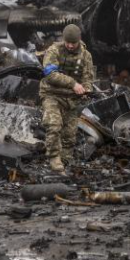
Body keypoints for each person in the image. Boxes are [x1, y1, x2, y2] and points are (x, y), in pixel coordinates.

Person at [40, 24, 94, 173]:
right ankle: (54, 159)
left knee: (69, 135)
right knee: (53, 125)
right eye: (67, 42)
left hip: (73, 99)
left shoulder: (86, 55)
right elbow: (50, 75)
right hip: (53, 94)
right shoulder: (54, 50)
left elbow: (88, 77)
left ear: (79, 40)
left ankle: (65, 162)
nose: (70, 46)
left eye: (73, 43)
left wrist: (86, 89)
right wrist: (73, 84)